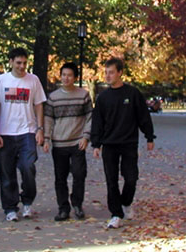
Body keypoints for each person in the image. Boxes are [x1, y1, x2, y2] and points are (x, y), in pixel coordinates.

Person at [91, 57, 156, 229]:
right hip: (109, 144)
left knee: (131, 178)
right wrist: (96, 144)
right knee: (111, 180)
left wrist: (149, 137)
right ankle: (116, 214)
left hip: (128, 143)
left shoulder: (132, 94)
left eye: (111, 72)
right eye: (106, 72)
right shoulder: (103, 98)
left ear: (120, 72)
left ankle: (126, 202)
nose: (108, 76)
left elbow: (143, 116)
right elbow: (97, 122)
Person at [0, 47, 47, 222]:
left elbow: (39, 105)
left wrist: (40, 129)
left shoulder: (33, 80)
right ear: (11, 62)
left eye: (24, 63)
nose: (22, 66)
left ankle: (27, 201)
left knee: (28, 166)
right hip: (6, 133)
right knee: (7, 173)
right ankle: (10, 208)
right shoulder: (1, 81)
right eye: (18, 63)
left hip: (27, 132)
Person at [43, 62, 92, 221]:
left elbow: (90, 117)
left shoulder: (83, 95)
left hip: (78, 142)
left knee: (79, 174)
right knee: (60, 177)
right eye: (63, 75)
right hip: (59, 143)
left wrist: (86, 136)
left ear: (75, 77)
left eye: (69, 75)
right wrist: (46, 138)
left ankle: (77, 204)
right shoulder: (54, 97)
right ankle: (63, 208)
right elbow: (48, 119)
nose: (66, 78)